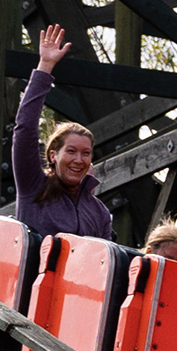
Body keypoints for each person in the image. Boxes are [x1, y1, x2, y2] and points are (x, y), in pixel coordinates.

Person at [10, 26, 115, 240]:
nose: (79, 159)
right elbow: (25, 128)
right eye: (71, 151)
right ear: (53, 156)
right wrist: (45, 66)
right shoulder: (34, 186)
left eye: (86, 153)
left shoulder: (100, 212)